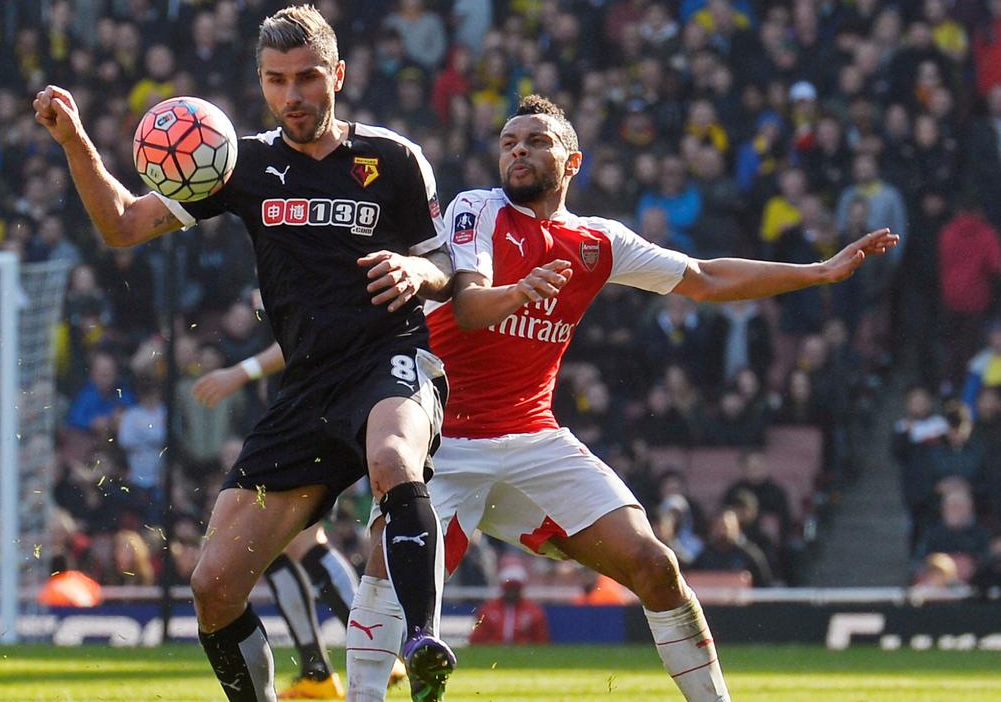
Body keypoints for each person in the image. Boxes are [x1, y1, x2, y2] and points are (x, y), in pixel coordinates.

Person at [344, 95, 896, 702]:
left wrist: (816, 272)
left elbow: (706, 278)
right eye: (508, 142)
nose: (518, 150)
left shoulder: (599, 242)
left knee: (656, 566)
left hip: (532, 438)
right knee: (385, 569)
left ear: (573, 160)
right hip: (444, 440)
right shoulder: (477, 208)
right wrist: (522, 289)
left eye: (536, 140)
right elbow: (470, 309)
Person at [34, 6, 455, 702]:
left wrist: (421, 274)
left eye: (308, 78)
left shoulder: (393, 159)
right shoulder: (239, 161)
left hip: (389, 361)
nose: (293, 95)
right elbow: (120, 225)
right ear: (261, 84)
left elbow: (453, 278)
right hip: (302, 393)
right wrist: (74, 138)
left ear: (338, 76)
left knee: (391, 461)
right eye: (277, 80)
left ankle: (421, 643)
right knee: (214, 586)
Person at [191, 342, 406, 696]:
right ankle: (320, 666)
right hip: (304, 413)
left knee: (301, 541)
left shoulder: (292, 293)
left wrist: (240, 372)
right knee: (278, 548)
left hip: (311, 419)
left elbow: (304, 333)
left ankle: (373, 649)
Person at [466, 564, 549, 645]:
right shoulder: (488, 610)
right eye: (509, 588)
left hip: (522, 654)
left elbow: (540, 642)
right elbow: (476, 640)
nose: (512, 592)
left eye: (515, 588)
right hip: (493, 654)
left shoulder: (533, 611)